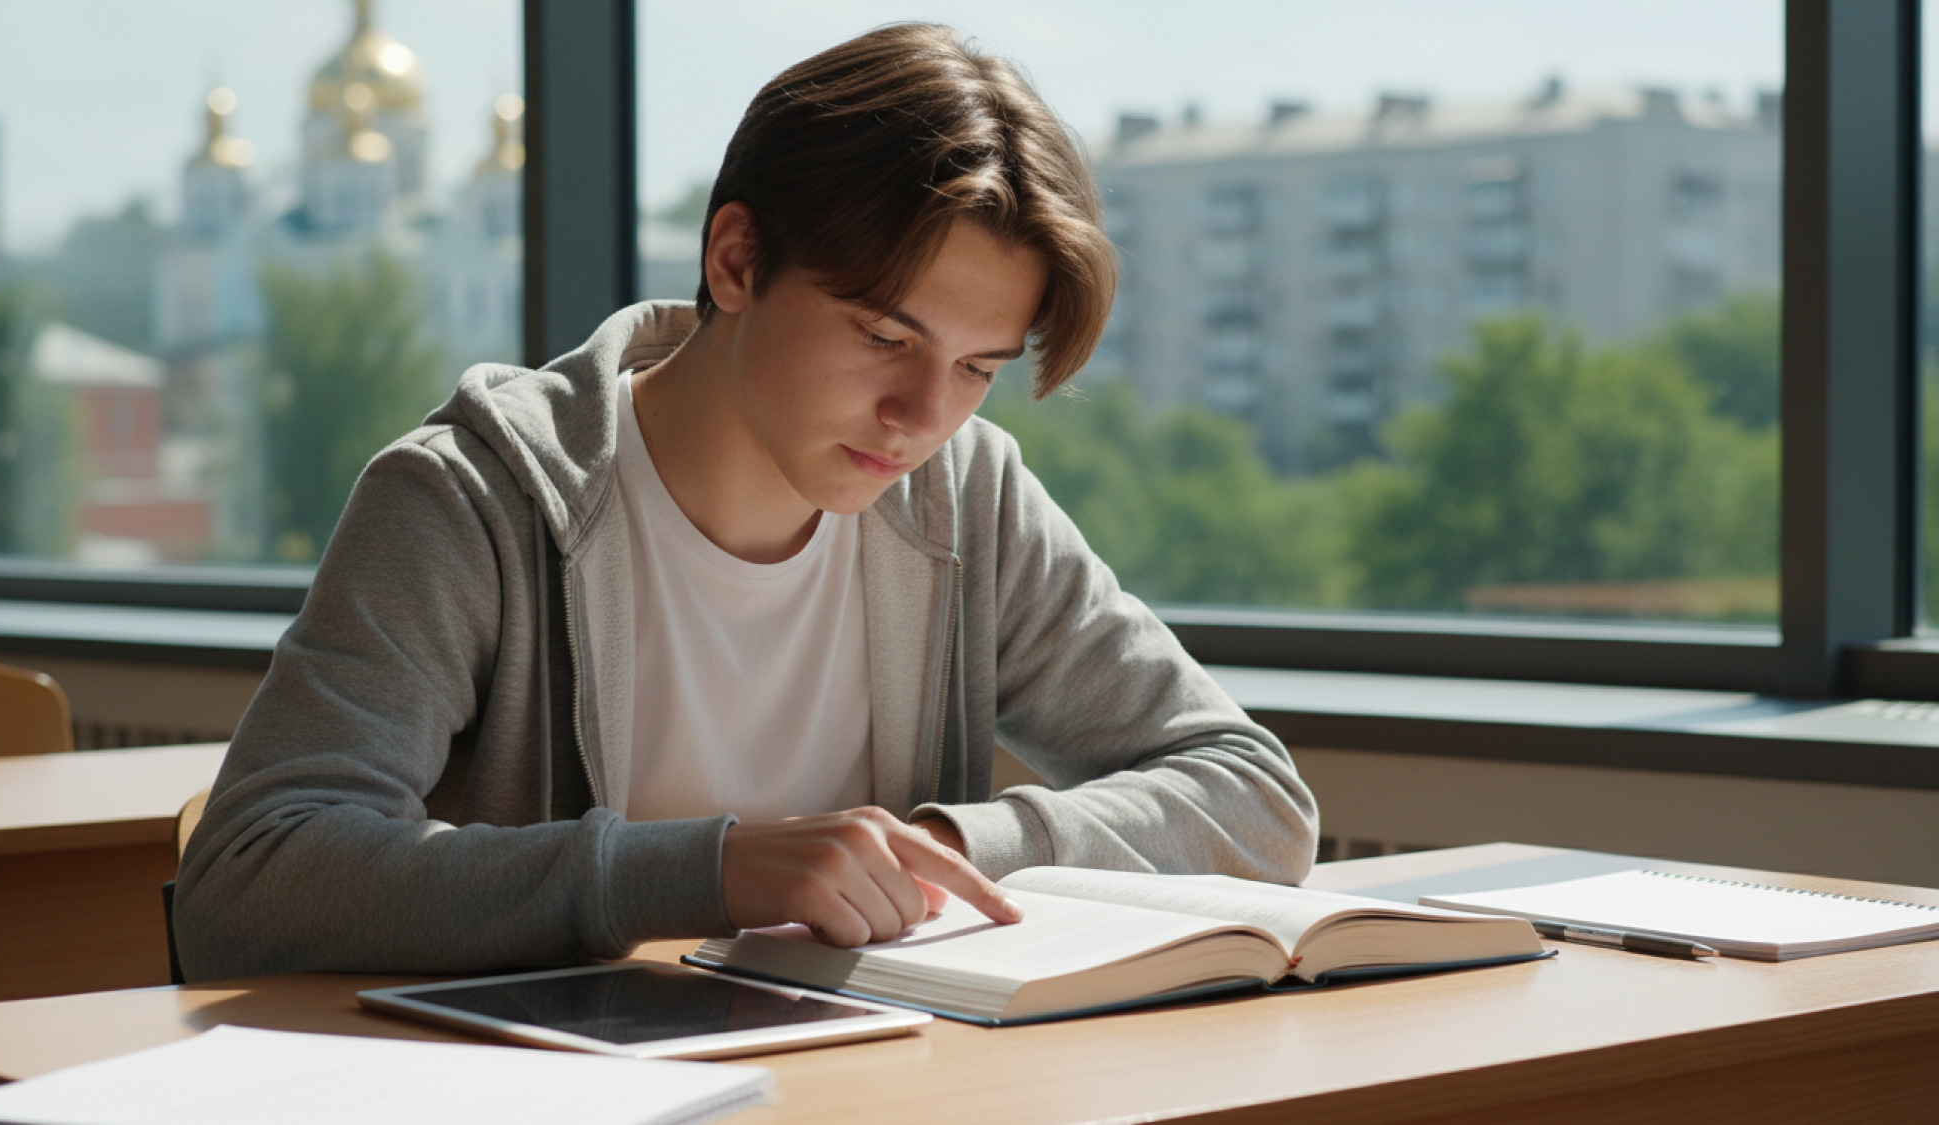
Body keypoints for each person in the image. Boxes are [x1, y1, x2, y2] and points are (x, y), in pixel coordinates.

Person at [175, 22, 1317, 981]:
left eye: (978, 367)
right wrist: (707, 869)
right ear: (733, 260)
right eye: (883, 335)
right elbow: (251, 878)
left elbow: (1256, 798)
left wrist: (939, 849)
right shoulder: (466, 500)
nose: (922, 417)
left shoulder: (967, 502)